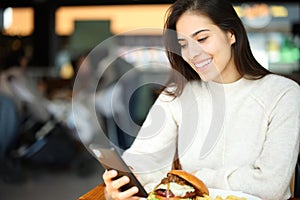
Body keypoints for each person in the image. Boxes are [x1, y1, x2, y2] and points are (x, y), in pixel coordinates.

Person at [102, 0, 300, 199]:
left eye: (202, 38)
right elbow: (143, 160)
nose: (192, 54)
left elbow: (270, 186)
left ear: (231, 34)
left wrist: (194, 178)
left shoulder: (283, 93)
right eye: (183, 45)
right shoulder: (178, 94)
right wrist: (119, 186)